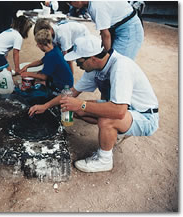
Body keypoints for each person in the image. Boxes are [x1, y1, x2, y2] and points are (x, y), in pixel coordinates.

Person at [29, 35, 159, 173]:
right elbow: (71, 93)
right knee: (76, 110)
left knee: (106, 118)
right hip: (127, 111)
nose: (77, 65)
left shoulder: (121, 67)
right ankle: (116, 132)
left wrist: (81, 104)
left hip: (145, 116)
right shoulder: (95, 68)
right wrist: (45, 106)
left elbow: (119, 111)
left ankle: (104, 160)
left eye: (79, 61)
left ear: (93, 58)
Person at [69, 1, 144, 60]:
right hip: (118, 27)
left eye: (70, 2)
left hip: (129, 30)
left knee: (118, 62)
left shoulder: (96, 6)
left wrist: (106, 55)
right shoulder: (92, 5)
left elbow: (105, 34)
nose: (71, 5)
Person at [20, 29, 73, 97]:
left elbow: (44, 77)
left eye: (37, 44)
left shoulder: (51, 56)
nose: (37, 46)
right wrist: (28, 66)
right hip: (67, 81)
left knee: (32, 95)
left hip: (63, 87)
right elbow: (41, 61)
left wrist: (28, 74)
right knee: (38, 75)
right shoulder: (54, 48)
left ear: (41, 44)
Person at [0, 16, 33, 83]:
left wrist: (6, 65)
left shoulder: (10, 30)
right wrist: (17, 68)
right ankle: (10, 84)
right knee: (8, 76)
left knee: (4, 67)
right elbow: (16, 53)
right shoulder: (18, 37)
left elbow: (4, 49)